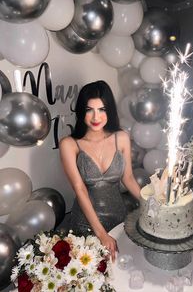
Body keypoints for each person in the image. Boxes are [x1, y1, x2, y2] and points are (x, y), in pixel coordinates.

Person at [59, 80, 140, 261]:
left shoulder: (122, 138)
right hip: (87, 224)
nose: (96, 117)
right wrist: (101, 234)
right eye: (89, 110)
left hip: (119, 219)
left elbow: (128, 179)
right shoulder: (69, 144)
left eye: (102, 109)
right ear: (82, 111)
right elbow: (79, 189)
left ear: (109, 111)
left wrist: (153, 205)